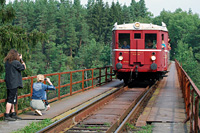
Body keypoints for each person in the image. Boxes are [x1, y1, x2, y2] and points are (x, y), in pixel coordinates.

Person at [4, 49, 26, 121]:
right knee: (10, 99)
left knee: (12, 98)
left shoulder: (7, 62)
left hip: (9, 82)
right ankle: (7, 115)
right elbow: (23, 67)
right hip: (14, 83)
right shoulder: (16, 62)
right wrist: (21, 60)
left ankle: (13, 113)